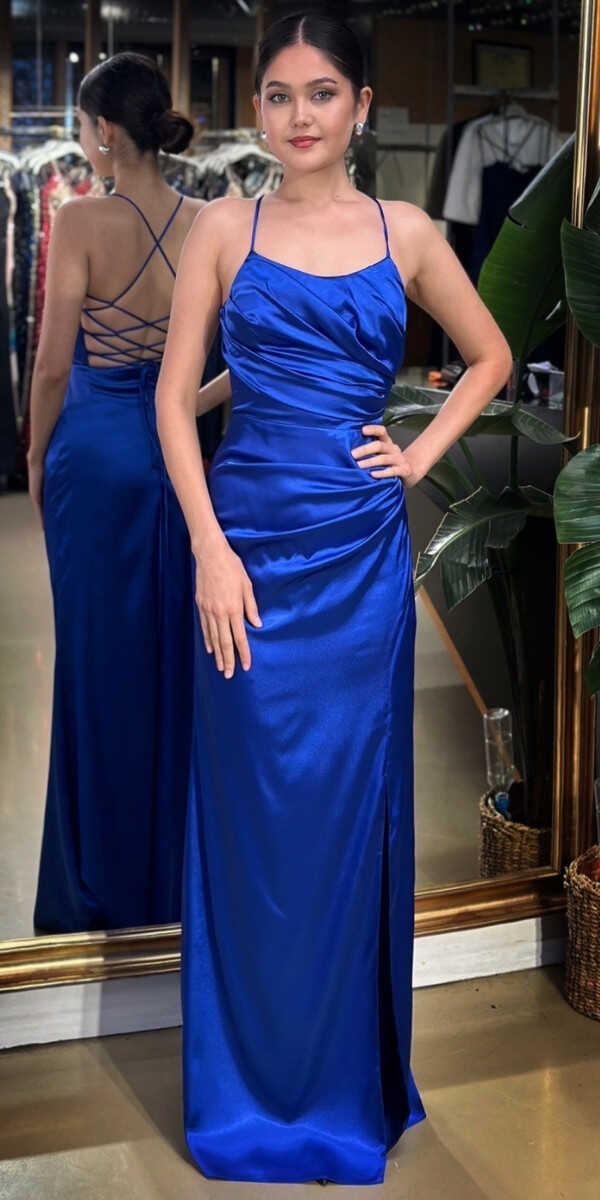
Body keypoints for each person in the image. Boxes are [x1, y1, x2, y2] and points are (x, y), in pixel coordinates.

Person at [156, 12, 512, 1186]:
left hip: (359, 564)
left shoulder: (407, 231)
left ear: (360, 106)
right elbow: (172, 402)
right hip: (245, 556)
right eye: (277, 94)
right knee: (252, 813)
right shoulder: (222, 226)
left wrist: (415, 458)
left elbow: (491, 357)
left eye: (320, 93)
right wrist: (209, 548)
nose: (297, 115)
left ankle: (342, 1089)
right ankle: (249, 1089)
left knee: (347, 813)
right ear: (256, 110)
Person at [28, 52, 215, 933]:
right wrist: (183, 406)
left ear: (104, 130)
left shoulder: (78, 219)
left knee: (95, 666)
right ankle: (168, 883)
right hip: (176, 455)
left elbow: (51, 366)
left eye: (81, 124)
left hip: (95, 453)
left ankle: (94, 888)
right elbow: (244, 360)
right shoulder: (208, 221)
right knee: (168, 662)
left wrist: (36, 456)